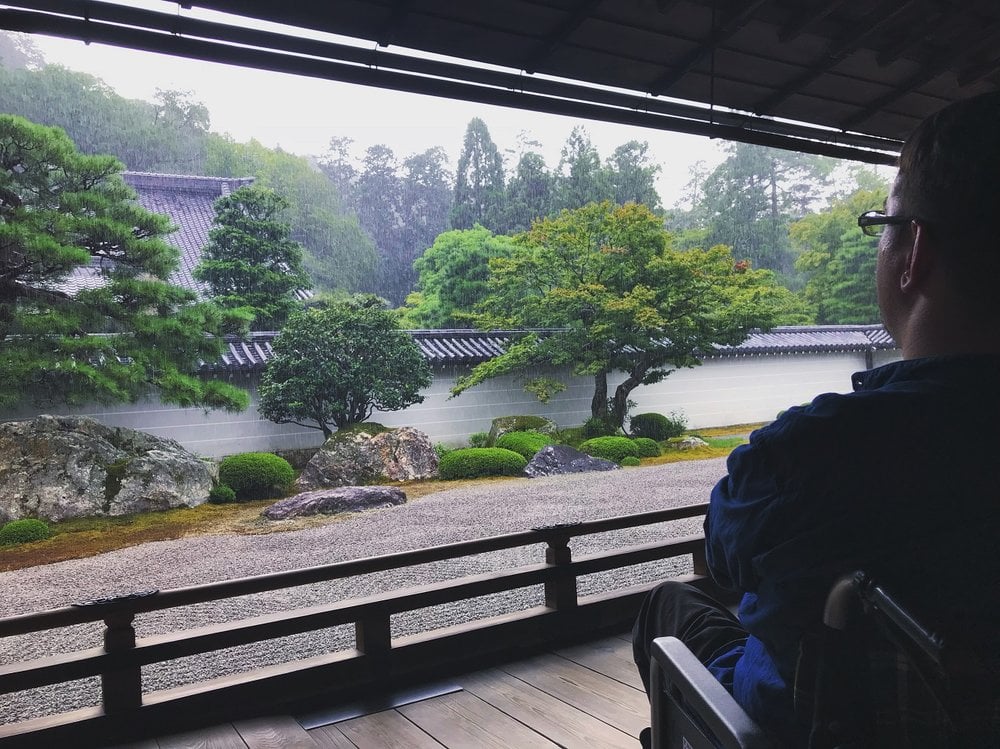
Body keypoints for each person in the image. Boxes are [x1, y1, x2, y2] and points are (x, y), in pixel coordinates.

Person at [632, 91, 1000, 747]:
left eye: (882, 223)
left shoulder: (817, 448)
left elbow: (725, 555)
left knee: (669, 604)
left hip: (806, 723)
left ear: (913, 249)